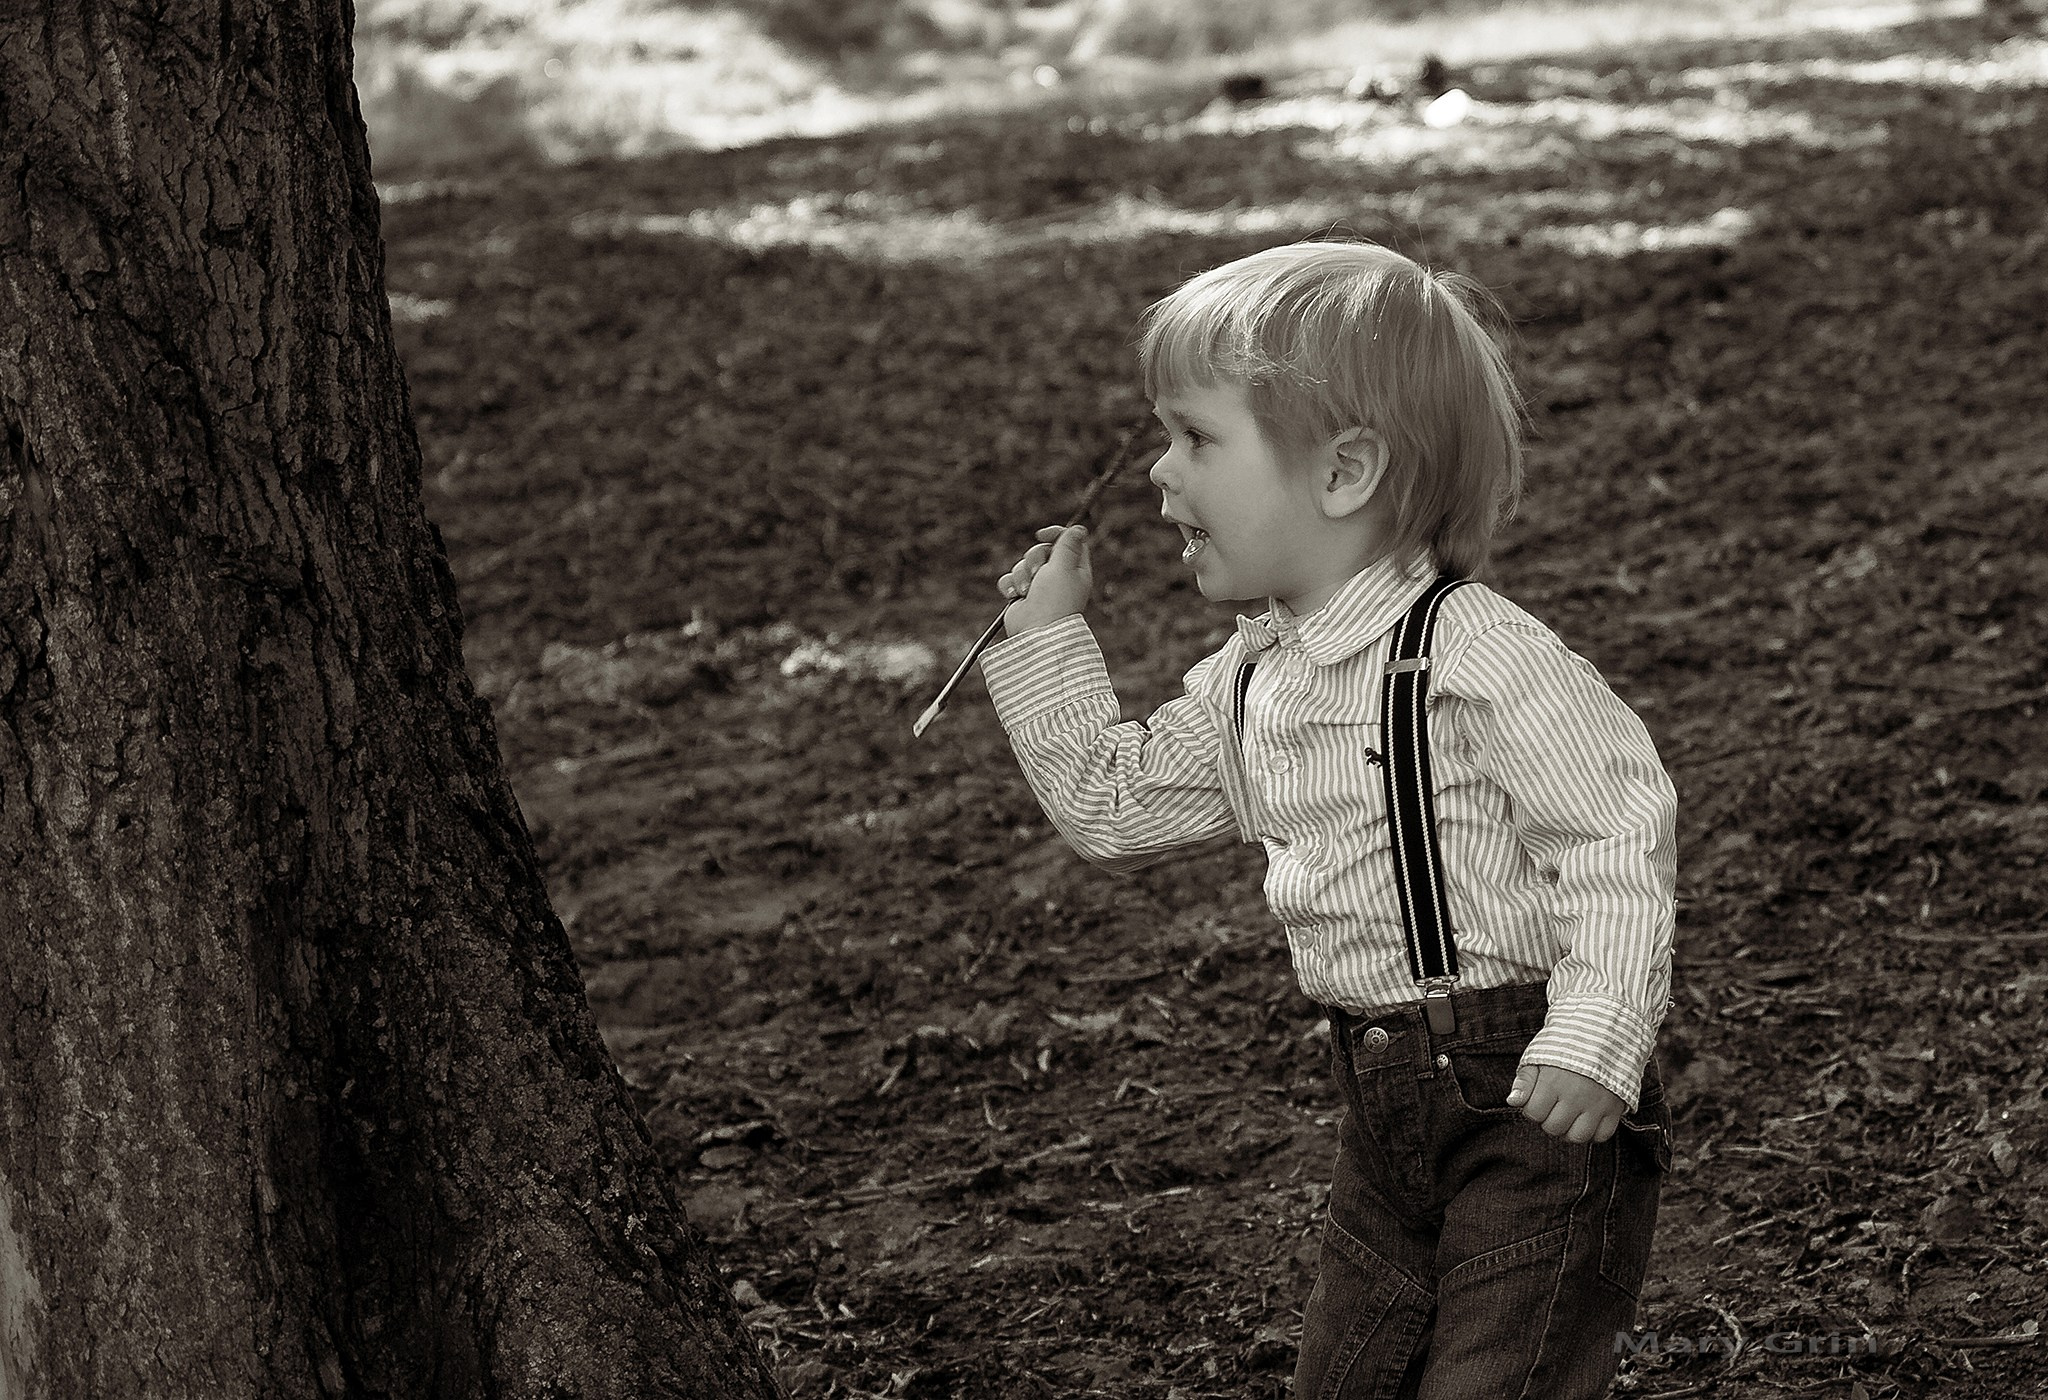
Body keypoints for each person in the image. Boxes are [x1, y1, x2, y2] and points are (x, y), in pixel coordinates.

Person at [979, 240, 1676, 1399]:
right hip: (1381, 1107)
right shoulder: (1256, 674)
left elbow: (1609, 828)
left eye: (1195, 437)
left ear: (1344, 470)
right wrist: (1047, 642)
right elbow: (1112, 802)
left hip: (1529, 1103)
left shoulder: (1475, 650)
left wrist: (1596, 1026)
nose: (1159, 474)